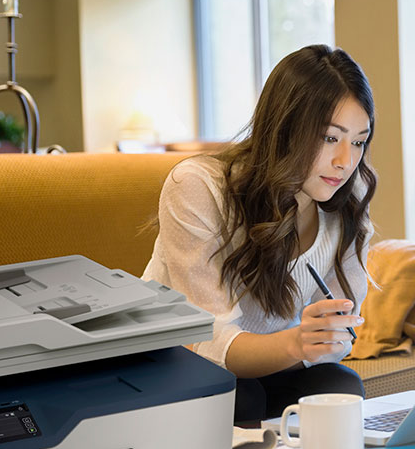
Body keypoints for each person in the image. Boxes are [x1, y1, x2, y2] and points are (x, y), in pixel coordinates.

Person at [142, 44, 377, 422]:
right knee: (237, 397)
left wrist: (320, 338)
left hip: (269, 365)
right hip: (178, 361)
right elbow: (208, 340)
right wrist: (299, 341)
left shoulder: (348, 199)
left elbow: (336, 340)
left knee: (339, 388)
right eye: (330, 138)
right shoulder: (198, 187)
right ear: (285, 129)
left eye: (358, 141)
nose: (345, 162)